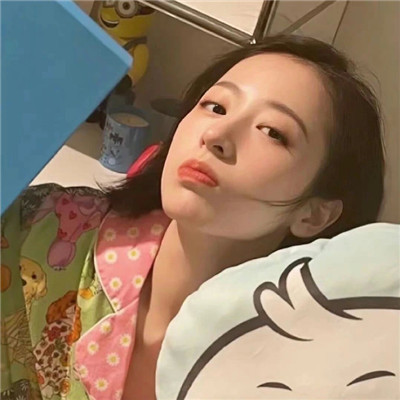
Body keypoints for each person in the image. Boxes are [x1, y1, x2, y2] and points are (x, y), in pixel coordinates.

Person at [0, 35, 384, 400]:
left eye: (272, 132)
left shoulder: (304, 374)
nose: (217, 134)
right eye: (215, 107)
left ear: (314, 214)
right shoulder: (41, 229)